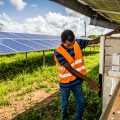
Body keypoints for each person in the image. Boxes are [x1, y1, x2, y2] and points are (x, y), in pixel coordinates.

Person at [54, 28, 120, 120]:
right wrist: (89, 80)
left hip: (77, 82)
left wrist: (113, 32)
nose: (71, 47)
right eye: (68, 45)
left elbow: (96, 41)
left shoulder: (77, 43)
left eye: (73, 44)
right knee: (64, 104)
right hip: (65, 83)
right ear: (62, 41)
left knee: (81, 103)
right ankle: (65, 118)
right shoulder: (58, 52)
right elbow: (71, 70)